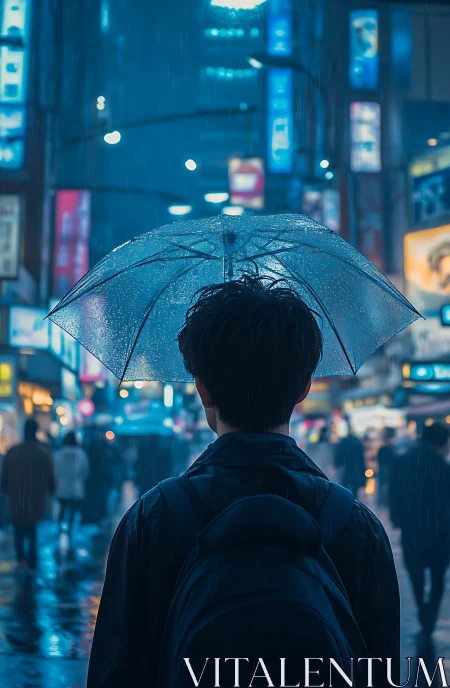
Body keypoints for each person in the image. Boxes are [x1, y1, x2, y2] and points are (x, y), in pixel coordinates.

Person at [88, 277, 399, 687]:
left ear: (203, 389)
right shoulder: (356, 527)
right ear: (304, 387)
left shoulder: (153, 520)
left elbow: (116, 672)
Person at [389, 422, 450, 637]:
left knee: (415, 572)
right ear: (441, 442)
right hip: (439, 531)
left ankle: (421, 605)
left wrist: (396, 518)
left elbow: (393, 491)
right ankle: (430, 616)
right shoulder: (442, 466)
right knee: (437, 577)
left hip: (411, 529)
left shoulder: (403, 461)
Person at [1, 418, 55, 570]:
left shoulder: (13, 452)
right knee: (31, 528)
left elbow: (4, 475)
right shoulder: (42, 452)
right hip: (35, 496)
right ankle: (31, 560)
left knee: (18, 528)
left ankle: (20, 560)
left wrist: (5, 489)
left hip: (16, 495)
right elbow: (49, 476)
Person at [54, 431, 90, 537]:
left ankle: (60, 527)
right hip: (76, 488)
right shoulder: (81, 454)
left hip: (61, 487)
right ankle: (70, 529)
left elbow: (55, 471)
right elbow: (85, 471)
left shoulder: (58, 454)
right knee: (73, 510)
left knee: (62, 508)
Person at [334, 423, 366, 497]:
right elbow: (361, 460)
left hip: (346, 469)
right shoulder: (357, 442)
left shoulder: (343, 441)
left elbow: (339, 456)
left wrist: (337, 464)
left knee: (344, 489)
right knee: (354, 492)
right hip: (355, 470)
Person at [377, 427, 397, 508]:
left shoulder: (384, 447)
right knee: (386, 485)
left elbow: (380, 458)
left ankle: (382, 502)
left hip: (383, 468)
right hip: (388, 468)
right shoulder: (391, 447)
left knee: (382, 486)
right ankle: (385, 502)